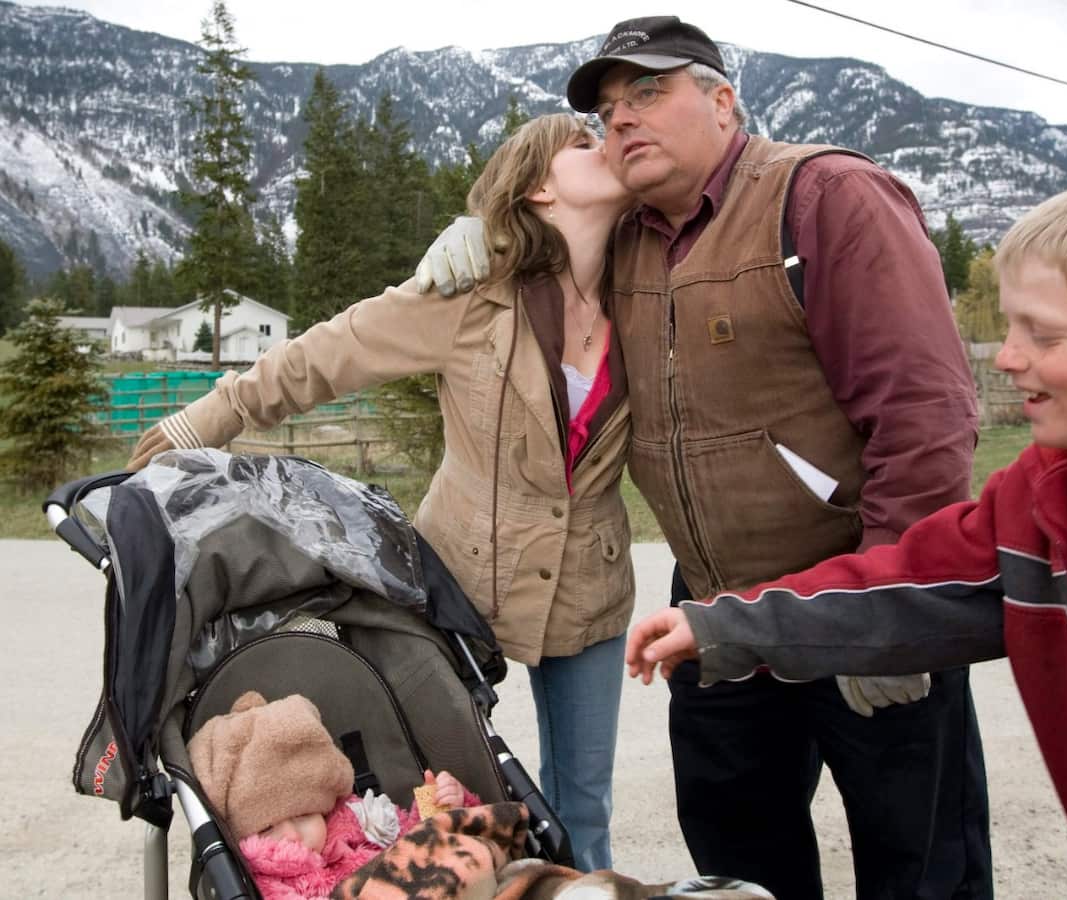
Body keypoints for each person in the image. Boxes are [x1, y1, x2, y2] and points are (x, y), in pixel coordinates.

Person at [417, 16, 991, 899]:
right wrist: (475, 234)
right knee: (739, 867)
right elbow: (542, 249)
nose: (623, 120)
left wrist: (895, 614)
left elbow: (924, 415)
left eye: (648, 90)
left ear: (724, 100)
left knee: (918, 865)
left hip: (854, 598)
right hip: (716, 619)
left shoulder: (826, 197)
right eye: (608, 108)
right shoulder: (625, 233)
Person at [626, 170, 1067, 899]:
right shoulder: (1050, 493)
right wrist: (722, 626)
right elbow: (908, 586)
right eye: (1010, 326)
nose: (1006, 356)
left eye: (1045, 334)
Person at [127, 114, 636, 872]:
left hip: (590, 583)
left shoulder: (653, 285)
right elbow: (331, 352)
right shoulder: (469, 296)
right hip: (465, 578)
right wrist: (208, 417)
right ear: (539, 185)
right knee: (448, 791)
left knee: (582, 804)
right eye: (585, 143)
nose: (611, 143)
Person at [186, 690, 481, 899]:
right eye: (266, 828)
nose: (291, 836)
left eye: (303, 815)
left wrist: (439, 807)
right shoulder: (264, 884)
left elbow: (416, 842)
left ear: (323, 807)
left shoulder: (359, 821)